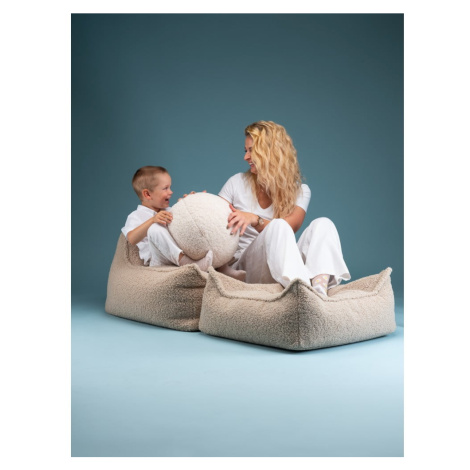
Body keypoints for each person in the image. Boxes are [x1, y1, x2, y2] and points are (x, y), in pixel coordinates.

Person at [218, 121, 350, 295]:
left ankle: (318, 290)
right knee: (278, 225)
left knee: (324, 224)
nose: (246, 157)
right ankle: (304, 293)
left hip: (282, 265)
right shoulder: (236, 183)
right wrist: (196, 203)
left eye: (251, 151)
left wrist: (255, 219)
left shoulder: (300, 191)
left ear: (270, 152)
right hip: (247, 268)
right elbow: (213, 217)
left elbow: (290, 227)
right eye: (245, 151)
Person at [122, 166, 213, 271]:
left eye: (170, 187)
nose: (171, 192)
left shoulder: (168, 210)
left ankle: (193, 260)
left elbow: (182, 219)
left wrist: (190, 202)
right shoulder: (136, 215)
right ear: (147, 194)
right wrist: (152, 220)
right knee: (154, 229)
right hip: (157, 260)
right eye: (165, 188)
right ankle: (189, 263)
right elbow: (131, 239)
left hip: (175, 255)